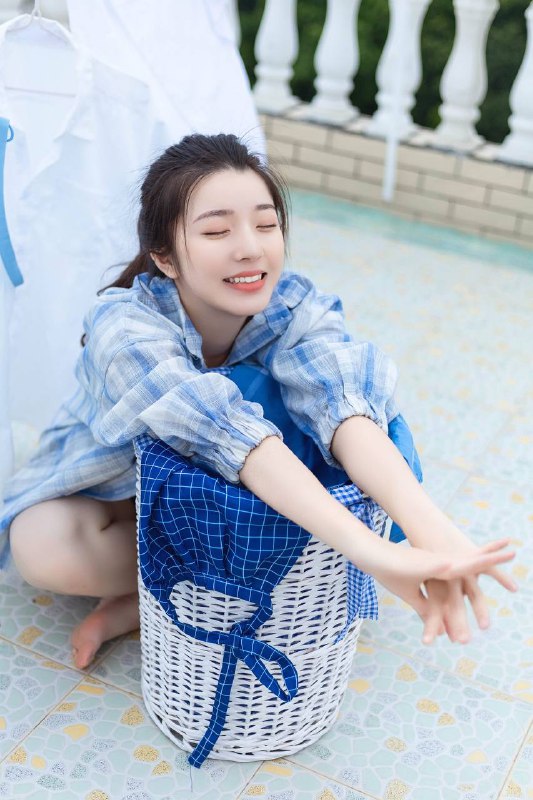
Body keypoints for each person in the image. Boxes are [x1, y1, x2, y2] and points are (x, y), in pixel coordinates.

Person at [0, 133, 516, 672]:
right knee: (42, 545)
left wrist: (436, 535)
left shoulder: (295, 307)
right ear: (164, 257)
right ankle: (158, 595)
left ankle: (165, 597)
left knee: (336, 434)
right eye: (216, 230)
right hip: (118, 494)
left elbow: (347, 410)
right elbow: (224, 431)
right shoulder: (124, 326)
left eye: (266, 225)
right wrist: (372, 554)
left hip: (230, 506)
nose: (250, 247)